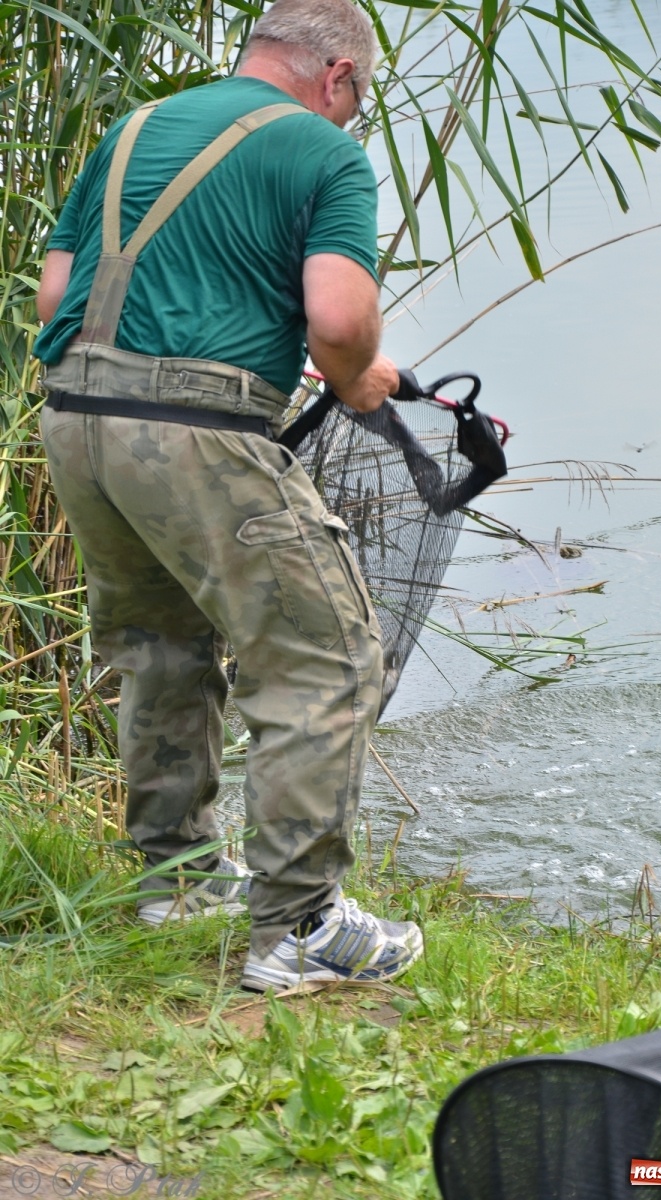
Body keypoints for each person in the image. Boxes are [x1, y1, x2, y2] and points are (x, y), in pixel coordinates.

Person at [33, 0, 424, 990]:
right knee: (327, 655)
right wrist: (354, 375)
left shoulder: (133, 129)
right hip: (194, 434)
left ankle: (174, 877)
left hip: (76, 420)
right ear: (338, 75)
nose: (352, 116)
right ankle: (300, 929)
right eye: (358, 98)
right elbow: (337, 318)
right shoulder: (323, 155)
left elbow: (54, 297)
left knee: (160, 644)